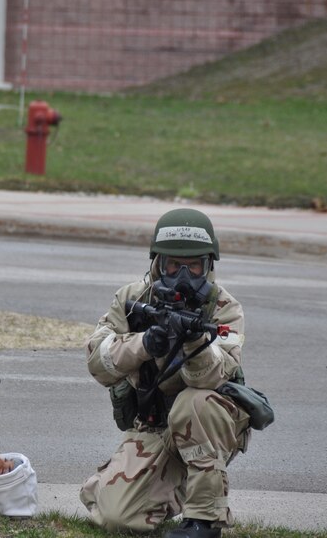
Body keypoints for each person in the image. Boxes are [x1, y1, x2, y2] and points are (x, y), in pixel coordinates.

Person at [80, 209, 251, 538]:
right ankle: (140, 485)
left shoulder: (224, 308)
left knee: (195, 402)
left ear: (208, 265)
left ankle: (205, 520)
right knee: (117, 519)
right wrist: (145, 344)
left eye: (194, 266)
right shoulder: (132, 298)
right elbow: (97, 363)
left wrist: (194, 342)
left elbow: (215, 378)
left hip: (211, 423)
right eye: (174, 265)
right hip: (155, 426)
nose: (184, 275)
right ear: (158, 262)